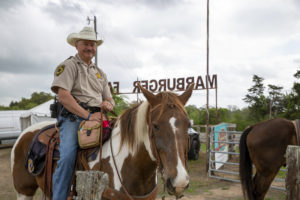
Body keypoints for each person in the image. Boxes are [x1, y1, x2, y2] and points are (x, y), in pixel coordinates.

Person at [51, 26, 115, 200]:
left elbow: (110, 99)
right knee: (67, 157)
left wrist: (108, 104)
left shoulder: (100, 73)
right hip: (74, 118)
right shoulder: (68, 66)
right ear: (76, 45)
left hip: (99, 117)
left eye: (93, 45)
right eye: (86, 44)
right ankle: (59, 197)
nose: (90, 48)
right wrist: (87, 115)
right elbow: (63, 96)